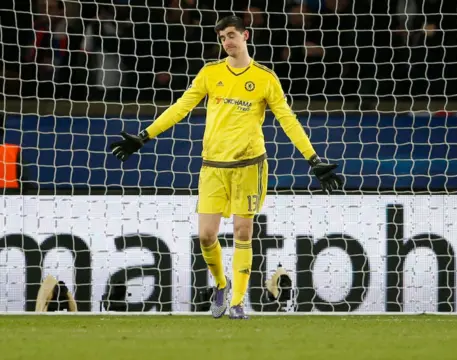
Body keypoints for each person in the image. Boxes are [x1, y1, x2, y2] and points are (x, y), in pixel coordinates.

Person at [109, 16, 343, 320]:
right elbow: (182, 106)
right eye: (222, 38)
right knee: (206, 236)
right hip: (213, 166)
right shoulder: (210, 73)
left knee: (243, 232)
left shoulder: (264, 78)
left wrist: (312, 158)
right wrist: (144, 136)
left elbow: (287, 120)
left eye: (231, 35)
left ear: (246, 35)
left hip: (250, 165)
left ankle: (237, 302)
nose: (227, 42)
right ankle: (221, 284)